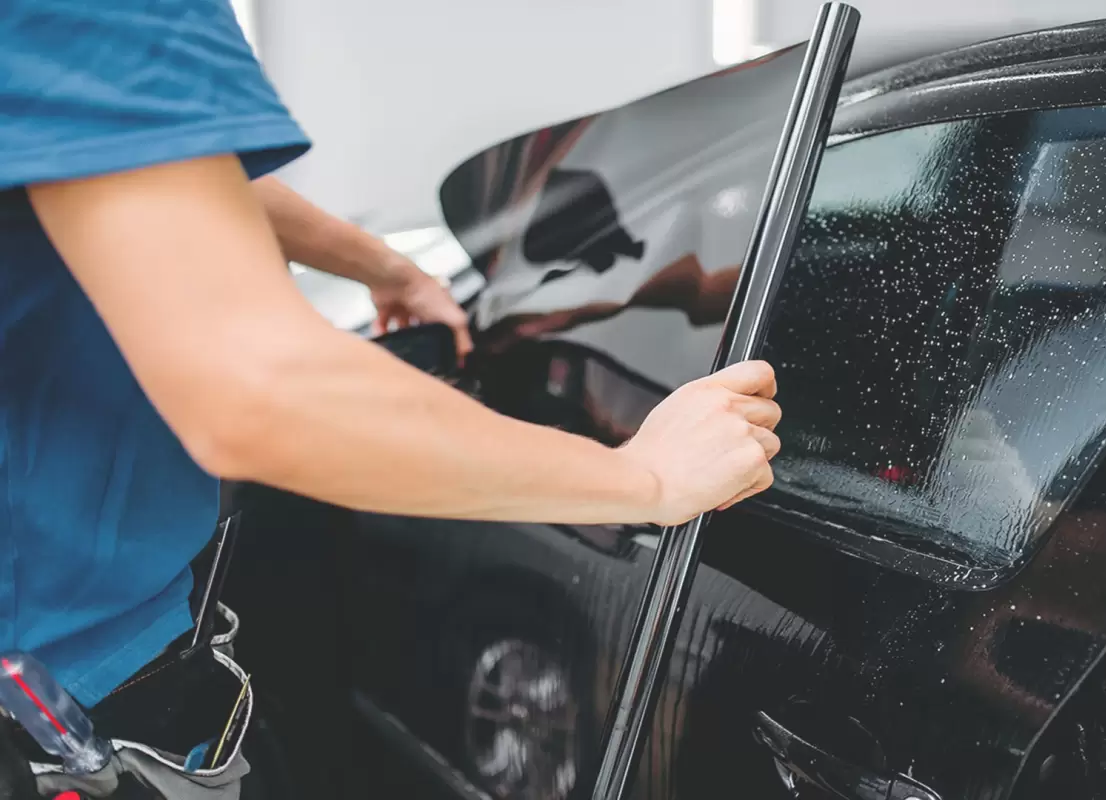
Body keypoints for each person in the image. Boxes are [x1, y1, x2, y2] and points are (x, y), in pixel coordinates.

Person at [0, 0, 780, 795]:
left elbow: (136, 165)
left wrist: (385, 269)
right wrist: (643, 479)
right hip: (62, 708)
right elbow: (262, 391)